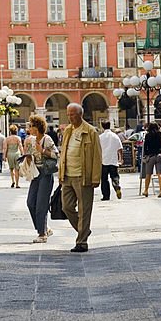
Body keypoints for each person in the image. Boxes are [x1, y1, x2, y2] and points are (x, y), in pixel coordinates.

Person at [57, 103, 103, 253]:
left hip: (83, 176)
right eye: (68, 114)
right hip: (67, 175)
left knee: (84, 210)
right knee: (66, 207)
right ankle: (83, 229)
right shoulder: (68, 131)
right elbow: (64, 152)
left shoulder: (90, 131)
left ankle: (82, 242)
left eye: (72, 114)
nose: (70, 117)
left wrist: (96, 177)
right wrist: (60, 173)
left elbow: (97, 156)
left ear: (80, 114)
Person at [24, 116, 58, 243]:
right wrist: (28, 157)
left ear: (37, 127)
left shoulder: (47, 139)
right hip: (36, 173)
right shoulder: (31, 140)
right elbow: (32, 155)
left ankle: (42, 234)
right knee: (30, 202)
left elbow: (56, 155)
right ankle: (44, 228)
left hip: (46, 173)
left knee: (41, 204)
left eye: (31, 126)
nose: (29, 128)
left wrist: (43, 150)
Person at [98, 120, 124, 201]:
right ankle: (117, 187)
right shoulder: (115, 136)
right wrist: (121, 159)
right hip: (113, 160)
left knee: (104, 179)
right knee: (114, 176)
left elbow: (97, 149)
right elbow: (120, 149)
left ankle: (106, 196)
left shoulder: (100, 137)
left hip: (103, 160)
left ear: (102, 126)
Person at [141, 122, 161, 198]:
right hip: (159, 155)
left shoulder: (148, 135)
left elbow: (145, 147)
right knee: (160, 174)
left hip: (150, 156)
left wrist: (146, 154)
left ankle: (146, 191)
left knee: (148, 174)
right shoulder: (159, 135)